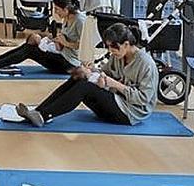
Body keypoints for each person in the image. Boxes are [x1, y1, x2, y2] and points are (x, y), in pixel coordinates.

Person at [15, 22, 157, 127]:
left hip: (130, 113)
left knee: (85, 87)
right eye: (108, 47)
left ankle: (43, 116)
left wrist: (115, 84)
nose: (111, 51)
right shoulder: (118, 55)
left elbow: (143, 99)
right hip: (115, 100)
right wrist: (92, 70)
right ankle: (38, 111)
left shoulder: (146, 64)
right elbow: (106, 73)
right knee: (79, 76)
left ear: (126, 44)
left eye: (114, 47)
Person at [0, 0, 85, 74]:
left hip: (70, 64)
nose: (55, 12)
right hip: (61, 55)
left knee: (30, 50)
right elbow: (65, 38)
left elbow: (84, 46)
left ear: (66, 9)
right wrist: (54, 39)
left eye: (57, 9)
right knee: (29, 44)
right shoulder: (67, 18)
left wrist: (65, 43)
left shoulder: (80, 20)